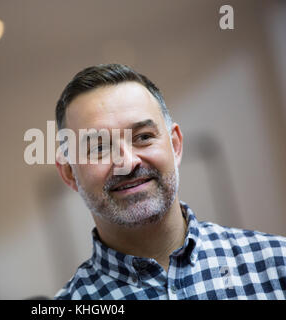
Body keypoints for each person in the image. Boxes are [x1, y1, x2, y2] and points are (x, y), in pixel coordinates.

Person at [53, 64, 286, 300]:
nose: (128, 162)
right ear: (70, 173)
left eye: (143, 137)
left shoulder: (278, 265)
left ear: (175, 146)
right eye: (100, 148)